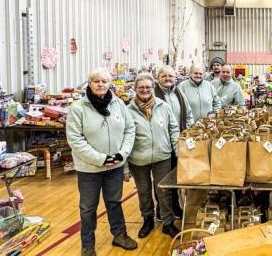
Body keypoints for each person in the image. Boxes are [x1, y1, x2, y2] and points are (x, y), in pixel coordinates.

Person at [66, 68, 137, 256]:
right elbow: (75, 140)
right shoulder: (78, 108)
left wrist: (122, 153)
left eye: (104, 81)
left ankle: (119, 235)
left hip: (115, 166)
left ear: (109, 83)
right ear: (89, 84)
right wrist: (100, 159)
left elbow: (130, 129)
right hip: (89, 169)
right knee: (88, 208)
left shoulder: (119, 104)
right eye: (96, 81)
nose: (100, 84)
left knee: (114, 202)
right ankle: (87, 245)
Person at [125, 73, 180, 239]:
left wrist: (177, 150)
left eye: (148, 87)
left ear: (153, 88)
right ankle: (147, 220)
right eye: (141, 87)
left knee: (163, 191)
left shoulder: (163, 106)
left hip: (162, 156)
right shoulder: (128, 110)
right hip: (138, 159)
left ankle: (167, 222)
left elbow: (173, 129)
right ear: (135, 89)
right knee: (144, 191)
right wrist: (125, 166)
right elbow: (124, 138)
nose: (145, 90)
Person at [154, 65, 193, 220]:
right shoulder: (153, 95)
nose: (168, 79)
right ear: (158, 78)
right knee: (161, 180)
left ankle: (176, 207)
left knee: (177, 177)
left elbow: (188, 114)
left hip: (179, 142)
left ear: (175, 78)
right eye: (164, 76)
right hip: (162, 143)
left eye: (170, 76)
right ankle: (161, 210)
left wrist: (188, 131)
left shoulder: (179, 93)